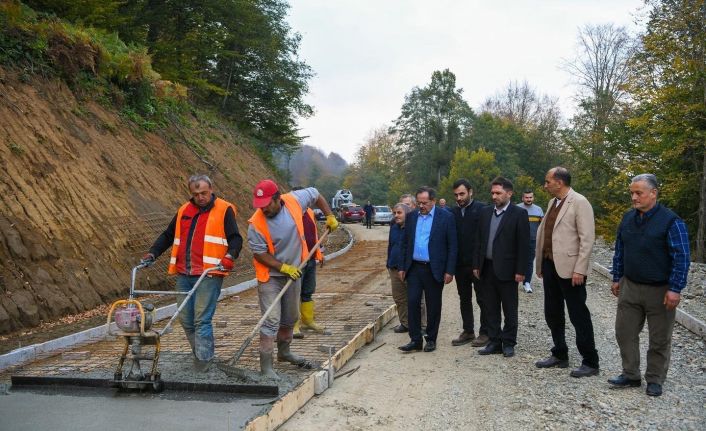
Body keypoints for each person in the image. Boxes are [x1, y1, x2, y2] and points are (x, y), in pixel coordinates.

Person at [144, 174, 243, 372]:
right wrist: (153, 252)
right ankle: (200, 355)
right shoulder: (184, 211)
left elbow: (236, 239)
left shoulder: (224, 210)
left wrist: (230, 257)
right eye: (196, 194)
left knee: (201, 319)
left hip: (209, 274)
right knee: (186, 319)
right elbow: (168, 235)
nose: (200, 197)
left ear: (211, 189)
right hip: (184, 273)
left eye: (204, 193)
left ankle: (204, 363)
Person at [608, 174, 691, 397]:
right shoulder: (627, 219)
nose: (633, 197)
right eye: (631, 193)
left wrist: (675, 288)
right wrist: (617, 277)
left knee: (659, 338)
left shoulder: (672, 222)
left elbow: (681, 257)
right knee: (624, 332)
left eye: (638, 193)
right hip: (630, 286)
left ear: (653, 193)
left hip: (660, 290)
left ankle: (655, 378)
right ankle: (630, 374)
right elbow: (620, 250)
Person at [247, 180, 338, 378]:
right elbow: (259, 254)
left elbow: (316, 193)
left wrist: (329, 215)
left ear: (277, 199)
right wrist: (283, 267)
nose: (262, 209)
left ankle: (284, 352)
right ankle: (266, 367)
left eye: (266, 205)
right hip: (270, 276)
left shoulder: (294, 200)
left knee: (290, 318)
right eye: (259, 206)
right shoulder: (256, 224)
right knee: (271, 320)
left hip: (295, 271)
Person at [535, 167, 600, 378]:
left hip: (572, 270)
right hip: (551, 266)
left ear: (559, 182)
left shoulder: (580, 202)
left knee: (578, 315)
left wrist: (580, 269)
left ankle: (590, 361)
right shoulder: (552, 202)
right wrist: (541, 264)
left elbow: (587, 239)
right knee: (552, 312)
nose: (545, 185)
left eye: (548, 181)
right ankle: (559, 353)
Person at [473, 177, 529, 357]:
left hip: (508, 270)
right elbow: (479, 240)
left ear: (509, 193)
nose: (494, 196)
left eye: (498, 193)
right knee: (490, 307)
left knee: (510, 309)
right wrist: (477, 264)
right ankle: (494, 341)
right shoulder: (485, 212)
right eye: (492, 193)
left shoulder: (518, 214)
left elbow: (523, 245)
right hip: (487, 268)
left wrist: (521, 271)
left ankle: (509, 342)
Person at [398, 186, 457, 353]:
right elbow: (405, 243)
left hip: (434, 268)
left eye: (425, 203)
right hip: (414, 268)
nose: (422, 206)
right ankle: (415, 340)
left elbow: (453, 246)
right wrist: (402, 266)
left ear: (433, 201)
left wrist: (449, 271)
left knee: (433, 306)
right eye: (419, 203)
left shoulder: (446, 218)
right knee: (413, 303)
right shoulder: (411, 218)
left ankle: (431, 339)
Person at [450, 178, 488, 347]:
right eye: (456, 195)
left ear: (470, 192)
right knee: (464, 298)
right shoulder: (453, 213)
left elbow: (484, 239)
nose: (459, 198)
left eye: (462, 194)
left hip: (478, 265)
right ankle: (468, 331)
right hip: (460, 265)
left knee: (482, 298)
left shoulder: (482, 210)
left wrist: (479, 264)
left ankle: (485, 332)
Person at [291, 187, 326, 339]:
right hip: (297, 260)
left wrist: (320, 252)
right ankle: (293, 325)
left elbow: (314, 235)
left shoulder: (310, 213)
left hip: (311, 259)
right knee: (293, 294)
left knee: (308, 291)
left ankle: (308, 320)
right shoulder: (290, 214)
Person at [387, 202, 413, 333]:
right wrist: (388, 263)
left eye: (399, 213)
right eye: (394, 213)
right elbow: (391, 245)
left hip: (409, 269)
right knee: (399, 298)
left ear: (407, 214)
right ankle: (405, 323)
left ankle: (421, 324)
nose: (396, 216)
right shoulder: (394, 227)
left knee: (416, 299)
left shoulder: (412, 228)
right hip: (394, 267)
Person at [517, 190, 544, 293]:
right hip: (517, 240)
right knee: (515, 260)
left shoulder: (538, 210)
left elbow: (542, 227)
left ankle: (527, 282)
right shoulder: (517, 208)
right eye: (526, 197)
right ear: (522, 198)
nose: (529, 199)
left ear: (533, 198)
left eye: (530, 197)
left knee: (529, 262)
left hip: (532, 240)